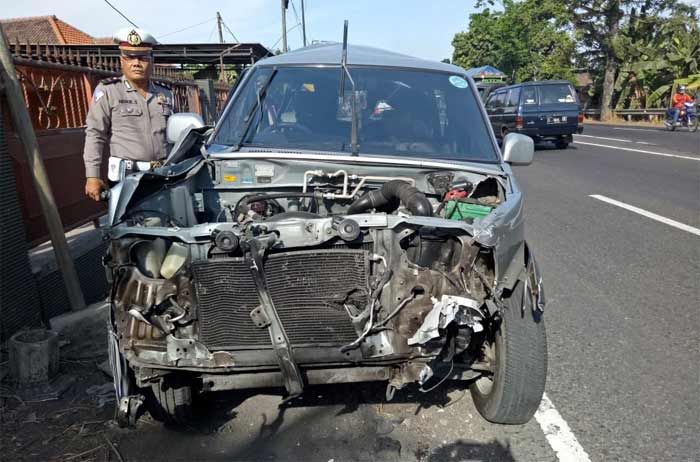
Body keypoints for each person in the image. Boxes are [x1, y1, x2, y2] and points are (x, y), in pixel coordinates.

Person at [83, 28, 174, 201]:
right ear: (121, 60)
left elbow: (175, 135)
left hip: (162, 176)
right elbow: (95, 133)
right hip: (126, 178)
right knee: (129, 226)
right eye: (130, 57)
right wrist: (92, 175)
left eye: (142, 58)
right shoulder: (109, 91)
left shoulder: (166, 94)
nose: (136, 63)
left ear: (152, 61)